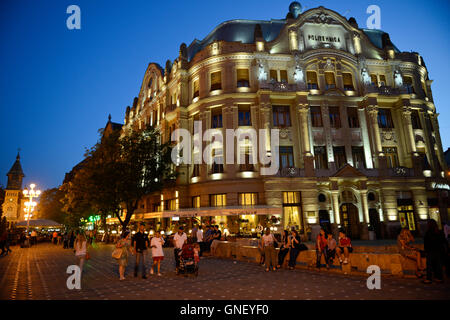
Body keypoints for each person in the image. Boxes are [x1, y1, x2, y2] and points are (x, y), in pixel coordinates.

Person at [423, 219, 447, 284]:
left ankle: (429, 278)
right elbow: (444, 241)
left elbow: (426, 243)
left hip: (430, 251)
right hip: (439, 251)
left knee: (430, 265)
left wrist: (426, 251)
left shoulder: (428, 233)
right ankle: (439, 278)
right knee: (438, 265)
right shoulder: (439, 232)